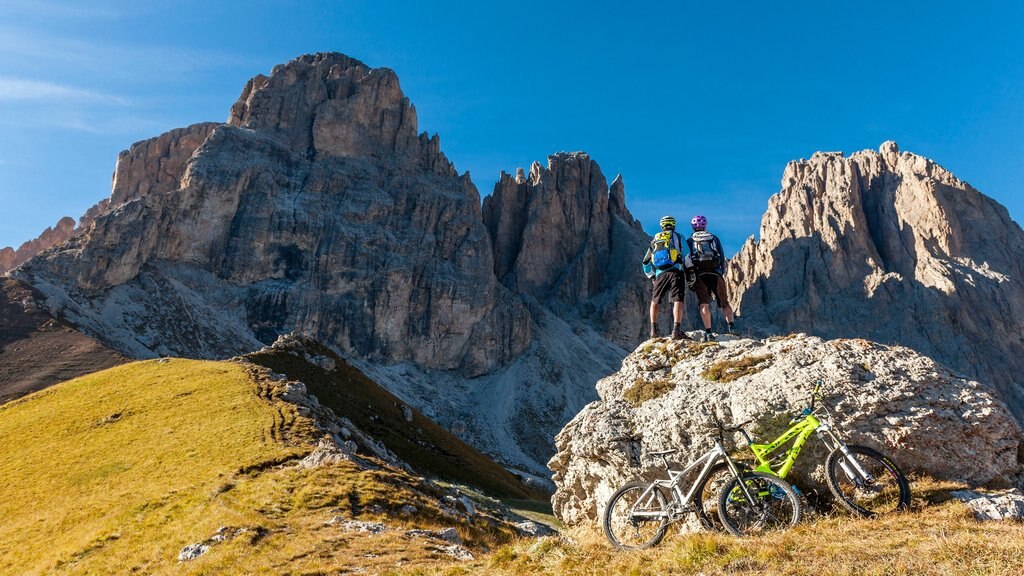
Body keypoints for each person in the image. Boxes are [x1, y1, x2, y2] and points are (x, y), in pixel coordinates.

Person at [686, 215, 735, 341]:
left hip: (700, 275)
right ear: (705, 225)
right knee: (724, 302)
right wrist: (720, 272)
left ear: (693, 226)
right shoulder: (714, 238)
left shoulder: (690, 240)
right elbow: (722, 256)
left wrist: (690, 276)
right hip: (715, 273)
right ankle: (732, 326)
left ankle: (708, 332)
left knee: (704, 303)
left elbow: (687, 259)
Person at [642, 215, 687, 340]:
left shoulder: (654, 240)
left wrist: (652, 277)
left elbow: (645, 262)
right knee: (678, 299)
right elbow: (687, 256)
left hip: (659, 274)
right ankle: (676, 331)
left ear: (662, 226)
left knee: (655, 300)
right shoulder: (678, 237)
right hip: (676, 271)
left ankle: (653, 331)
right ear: (673, 225)